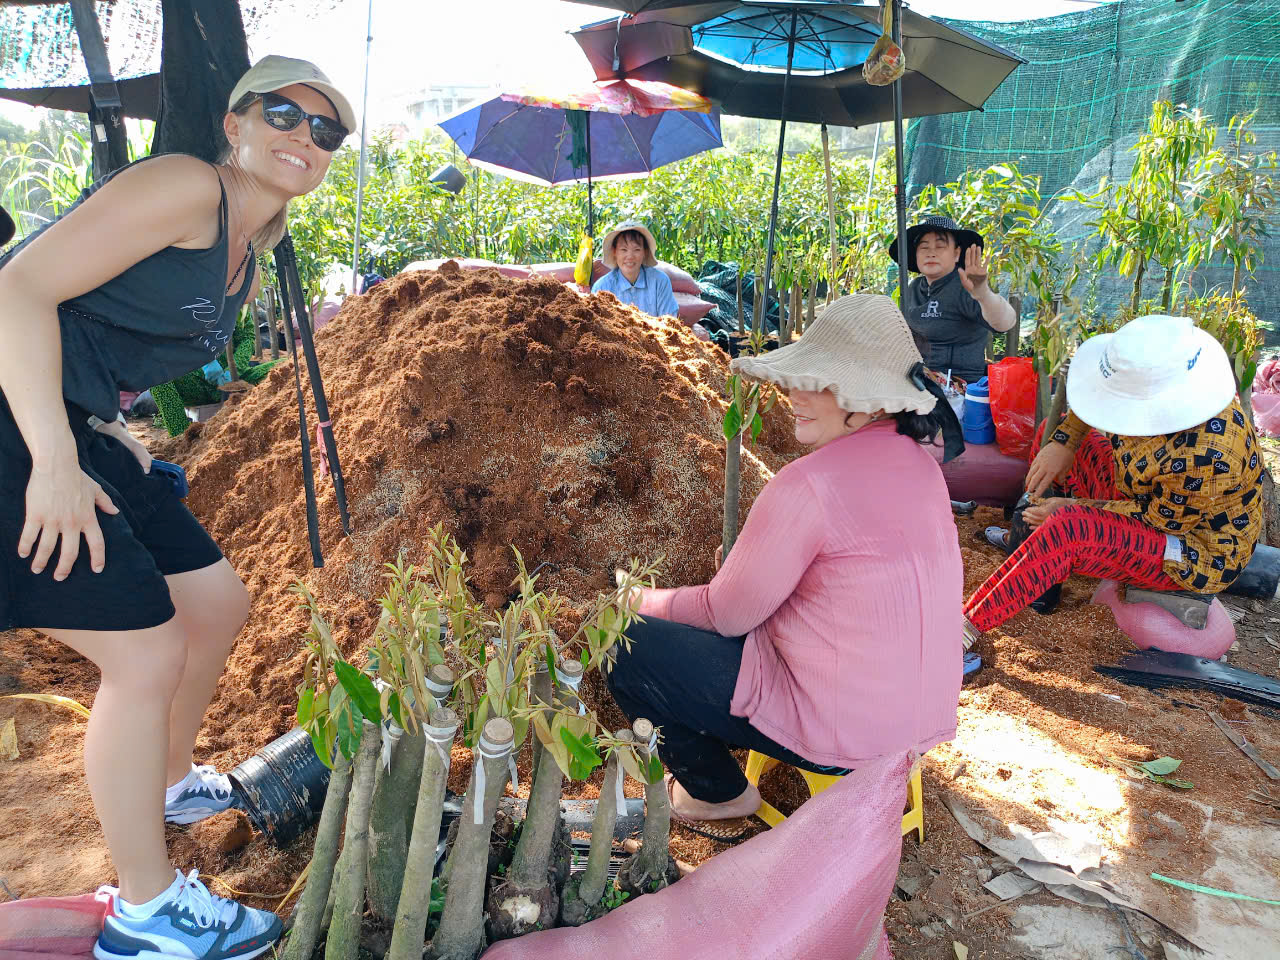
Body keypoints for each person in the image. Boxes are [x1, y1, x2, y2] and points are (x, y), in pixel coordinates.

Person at [0, 56, 353, 959]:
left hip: (73, 424)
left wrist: (100, 430)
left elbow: (96, 323)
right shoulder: (189, 186)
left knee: (214, 604)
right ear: (233, 123)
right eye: (282, 113)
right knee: (146, 653)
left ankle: (165, 779)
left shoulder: (255, 243)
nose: (301, 137)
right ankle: (148, 916)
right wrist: (51, 458)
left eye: (324, 130)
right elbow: (17, 288)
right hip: (18, 426)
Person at [606, 294, 964, 844]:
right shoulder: (922, 467)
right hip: (918, 721)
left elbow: (724, 614)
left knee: (626, 645)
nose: (793, 394)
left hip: (840, 732)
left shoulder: (807, 485)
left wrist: (637, 599)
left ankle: (717, 792)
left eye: (816, 381)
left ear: (865, 401)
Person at [963, 315, 1264, 643]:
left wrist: (1070, 506)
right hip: (1139, 490)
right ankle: (1036, 567)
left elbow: (1158, 521)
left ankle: (968, 627)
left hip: (1190, 548)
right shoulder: (1159, 383)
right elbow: (1095, 395)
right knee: (1050, 444)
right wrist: (1065, 442)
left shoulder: (1207, 454)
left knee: (1069, 527)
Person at [889, 214, 1017, 387]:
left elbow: (1005, 323)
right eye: (924, 247)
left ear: (956, 254)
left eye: (940, 246)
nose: (931, 253)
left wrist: (983, 293)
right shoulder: (913, 288)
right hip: (918, 381)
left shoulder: (967, 286)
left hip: (957, 388)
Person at [590, 220, 679, 319]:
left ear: (645, 252)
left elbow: (669, 323)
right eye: (624, 250)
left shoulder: (659, 281)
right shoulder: (602, 287)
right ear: (614, 252)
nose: (630, 256)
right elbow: (598, 326)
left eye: (637, 250)